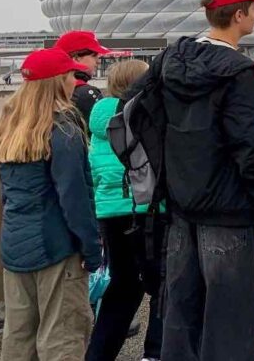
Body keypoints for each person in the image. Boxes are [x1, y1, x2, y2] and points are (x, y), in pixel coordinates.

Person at [154, 0, 254, 361]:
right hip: (228, 209)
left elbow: (138, 114)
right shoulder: (240, 72)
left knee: (181, 309)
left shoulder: (169, 60)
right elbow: (250, 146)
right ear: (239, 14)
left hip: (181, 204)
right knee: (231, 317)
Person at [0, 48, 103, 361]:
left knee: (18, 336)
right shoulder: (62, 130)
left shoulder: (9, 128)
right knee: (63, 336)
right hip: (57, 248)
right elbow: (74, 198)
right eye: (71, 75)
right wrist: (91, 248)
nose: (75, 81)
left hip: (15, 246)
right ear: (58, 81)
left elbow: (7, 194)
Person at [86, 59, 165, 361]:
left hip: (109, 214)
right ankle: (154, 353)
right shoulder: (142, 115)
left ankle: (98, 354)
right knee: (161, 283)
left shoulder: (98, 120)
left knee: (122, 287)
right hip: (145, 209)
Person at [54, 30, 112, 128]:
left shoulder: (51, 89)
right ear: (76, 58)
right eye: (94, 56)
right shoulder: (86, 94)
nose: (98, 61)